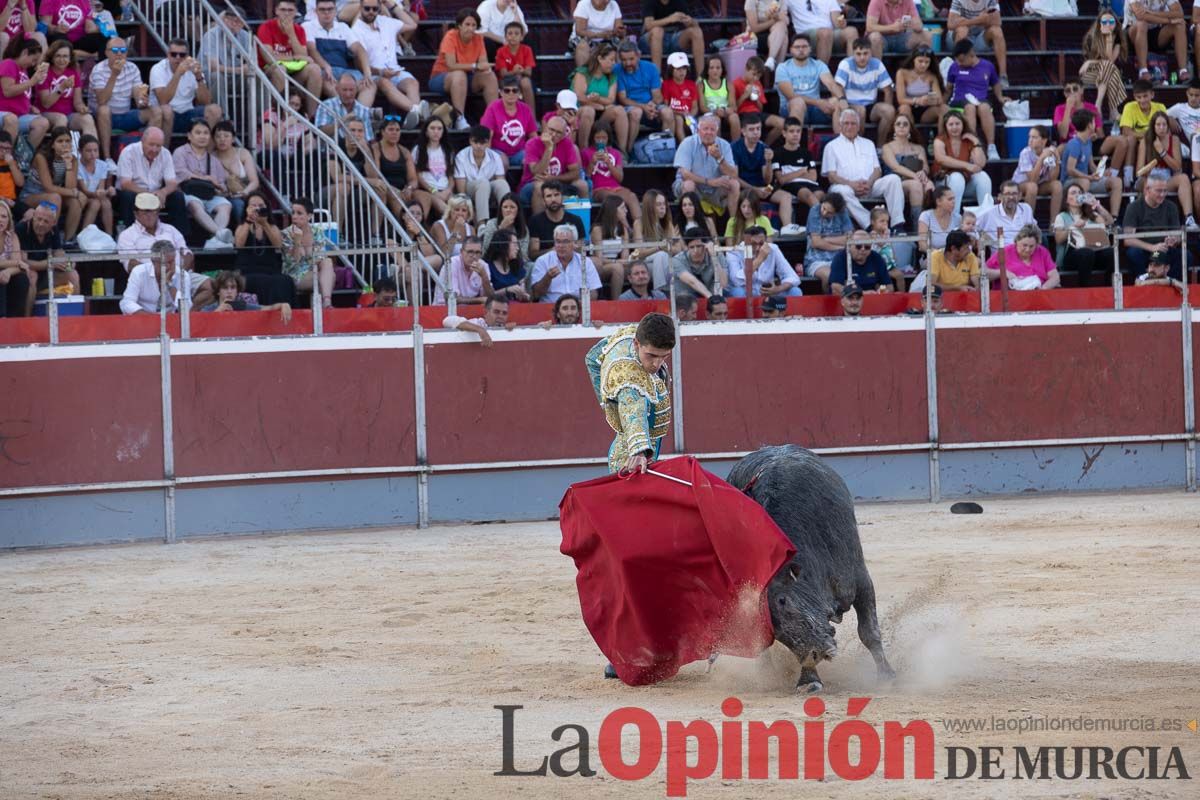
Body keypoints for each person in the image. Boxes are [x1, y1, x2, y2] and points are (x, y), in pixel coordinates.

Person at [584, 311, 675, 476]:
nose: (656, 364)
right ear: (636, 344)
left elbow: (592, 358)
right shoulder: (627, 376)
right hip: (630, 458)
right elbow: (633, 408)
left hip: (645, 445)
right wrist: (638, 452)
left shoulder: (630, 336)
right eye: (652, 355)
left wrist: (608, 399)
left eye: (664, 356)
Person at [821, 108, 905, 231]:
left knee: (893, 179)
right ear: (840, 125)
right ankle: (871, 225)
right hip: (846, 187)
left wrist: (869, 184)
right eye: (846, 123)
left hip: (869, 185)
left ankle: (898, 225)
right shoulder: (831, 146)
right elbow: (831, 176)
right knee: (839, 191)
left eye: (853, 123)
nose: (850, 127)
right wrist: (852, 185)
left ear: (859, 126)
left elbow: (877, 170)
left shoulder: (869, 143)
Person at [352, 0, 425, 125]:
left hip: (395, 70)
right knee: (385, 83)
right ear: (360, 8)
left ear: (380, 8)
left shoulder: (386, 22)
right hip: (374, 74)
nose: (371, 12)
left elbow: (412, 25)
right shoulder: (356, 30)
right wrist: (381, 72)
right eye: (367, 8)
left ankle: (414, 117)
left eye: (374, 9)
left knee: (412, 83)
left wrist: (390, 4)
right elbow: (359, 64)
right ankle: (417, 111)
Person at [430, 9, 497, 130]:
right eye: (467, 24)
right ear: (459, 25)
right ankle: (460, 118)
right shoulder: (450, 36)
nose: (470, 28)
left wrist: (484, 68)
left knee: (489, 76)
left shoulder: (478, 39)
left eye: (473, 25)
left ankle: (495, 118)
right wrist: (475, 66)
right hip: (441, 77)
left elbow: (483, 63)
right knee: (459, 74)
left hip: (466, 77)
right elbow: (451, 65)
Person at [116, 126, 189, 235]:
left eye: (158, 146)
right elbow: (125, 184)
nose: (154, 149)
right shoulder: (128, 152)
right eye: (151, 145)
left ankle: (180, 238)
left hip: (156, 193)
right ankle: (128, 237)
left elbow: (172, 183)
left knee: (178, 197)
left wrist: (163, 192)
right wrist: (149, 194)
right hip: (134, 192)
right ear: (142, 142)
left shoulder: (165, 154)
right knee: (127, 196)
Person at [173, 119, 234, 249]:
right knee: (195, 204)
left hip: (209, 195)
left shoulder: (213, 159)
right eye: (198, 133)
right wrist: (206, 178)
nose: (202, 136)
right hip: (187, 193)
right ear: (189, 136)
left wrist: (218, 187)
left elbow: (222, 185)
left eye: (206, 133)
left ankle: (214, 240)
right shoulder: (180, 152)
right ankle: (220, 235)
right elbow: (180, 173)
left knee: (225, 205)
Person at [1055, 79, 1127, 188]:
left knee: (1121, 140)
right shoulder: (1060, 109)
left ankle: (1112, 174)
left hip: (1090, 143)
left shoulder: (1091, 108)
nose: (1071, 93)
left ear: (1082, 90)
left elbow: (1100, 133)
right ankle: (1059, 182)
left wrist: (1093, 135)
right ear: (1064, 94)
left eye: (1075, 89)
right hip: (1070, 144)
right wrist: (1068, 108)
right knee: (1061, 147)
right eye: (1068, 91)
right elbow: (1063, 134)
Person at [945, 39, 1009, 161]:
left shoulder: (988, 66)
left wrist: (1000, 97)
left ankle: (991, 146)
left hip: (980, 100)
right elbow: (948, 89)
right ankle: (973, 145)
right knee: (970, 107)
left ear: (972, 55)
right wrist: (942, 103)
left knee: (984, 107)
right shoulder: (954, 67)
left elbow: (995, 84)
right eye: (957, 60)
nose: (959, 63)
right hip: (959, 101)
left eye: (962, 60)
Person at [256, 0, 323, 115]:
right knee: (280, 69)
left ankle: (311, 117)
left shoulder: (299, 30)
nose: (286, 13)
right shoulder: (266, 27)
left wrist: (291, 34)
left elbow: (303, 55)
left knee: (315, 69)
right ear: (276, 11)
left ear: (296, 12)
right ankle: (284, 116)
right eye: (283, 10)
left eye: (290, 10)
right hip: (269, 70)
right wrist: (294, 58)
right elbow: (269, 57)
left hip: (293, 72)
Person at [731, 113, 796, 230]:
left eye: (758, 129)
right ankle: (747, 228)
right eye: (751, 129)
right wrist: (755, 189)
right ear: (743, 131)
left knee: (786, 196)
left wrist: (769, 162)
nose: (756, 132)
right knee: (747, 197)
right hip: (744, 187)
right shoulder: (734, 148)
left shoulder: (764, 147)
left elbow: (767, 180)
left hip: (762, 186)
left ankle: (787, 227)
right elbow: (734, 177)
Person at [303, 0, 374, 106]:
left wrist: (367, 72)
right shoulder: (307, 26)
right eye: (322, 9)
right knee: (328, 83)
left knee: (369, 85)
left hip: (344, 71)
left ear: (335, 11)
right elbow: (312, 50)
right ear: (316, 11)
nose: (326, 13)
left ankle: (358, 116)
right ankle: (346, 114)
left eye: (330, 9)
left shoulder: (343, 27)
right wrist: (326, 66)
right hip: (323, 71)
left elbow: (359, 49)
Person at [774, 33, 847, 134]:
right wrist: (818, 102)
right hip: (791, 108)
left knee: (836, 101)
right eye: (797, 47)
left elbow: (830, 84)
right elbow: (791, 96)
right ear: (790, 49)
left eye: (804, 46)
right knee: (798, 102)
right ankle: (795, 146)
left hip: (816, 109)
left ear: (810, 48)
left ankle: (840, 143)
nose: (801, 50)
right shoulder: (783, 68)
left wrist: (841, 99)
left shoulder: (818, 65)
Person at [149, 38, 222, 137]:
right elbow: (163, 100)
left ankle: (208, 151)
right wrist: (178, 74)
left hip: (188, 113)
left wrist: (199, 77)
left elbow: (206, 102)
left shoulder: (193, 67)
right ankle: (163, 151)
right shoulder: (158, 69)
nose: (178, 57)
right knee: (166, 110)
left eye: (182, 55)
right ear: (168, 55)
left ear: (187, 56)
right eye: (174, 54)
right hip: (165, 116)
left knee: (215, 110)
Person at [672, 114, 739, 219]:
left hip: (715, 189)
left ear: (716, 132)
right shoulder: (688, 143)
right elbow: (685, 174)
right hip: (694, 186)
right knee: (688, 184)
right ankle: (690, 223)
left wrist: (719, 158)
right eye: (705, 129)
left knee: (734, 184)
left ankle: (733, 224)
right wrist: (709, 181)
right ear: (698, 130)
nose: (709, 132)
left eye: (712, 129)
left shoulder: (724, 145)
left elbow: (733, 174)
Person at [21, 126, 82, 240]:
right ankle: (51, 237)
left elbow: (70, 187)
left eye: (68, 141)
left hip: (55, 194)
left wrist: (68, 165)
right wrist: (73, 192)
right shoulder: (41, 157)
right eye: (60, 141)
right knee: (55, 197)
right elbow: (48, 187)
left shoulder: (72, 159)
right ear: (53, 144)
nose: (64, 144)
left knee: (75, 201)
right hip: (31, 195)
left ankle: (67, 240)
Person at [1060, 108, 1124, 218]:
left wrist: (1101, 174)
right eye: (1094, 122)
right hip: (1069, 182)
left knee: (1116, 181)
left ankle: (1113, 218)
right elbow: (1070, 169)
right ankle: (1079, 216)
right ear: (1090, 125)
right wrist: (1089, 177)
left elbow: (1091, 165)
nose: (1095, 124)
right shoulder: (1074, 144)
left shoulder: (1088, 141)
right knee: (1085, 182)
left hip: (1086, 180)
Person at [519, 114, 588, 214]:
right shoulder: (532, 143)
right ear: (545, 128)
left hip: (558, 183)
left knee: (582, 185)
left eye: (558, 132)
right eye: (551, 130)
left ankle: (583, 223)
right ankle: (540, 227)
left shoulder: (567, 144)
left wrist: (553, 178)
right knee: (541, 186)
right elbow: (537, 171)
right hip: (530, 185)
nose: (553, 134)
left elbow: (575, 173)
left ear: (564, 134)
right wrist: (549, 148)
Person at [234, 191, 293, 306]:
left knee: (285, 281)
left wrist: (264, 224)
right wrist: (248, 220)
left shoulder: (272, 226)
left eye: (261, 206)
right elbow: (239, 245)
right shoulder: (242, 225)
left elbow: (278, 245)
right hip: (247, 270)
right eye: (253, 206)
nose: (257, 208)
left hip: (269, 269)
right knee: (259, 281)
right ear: (247, 208)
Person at [1136, 110, 1194, 227]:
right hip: (1148, 177)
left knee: (1183, 178)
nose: (1161, 128)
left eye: (1164, 124)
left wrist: (1162, 152)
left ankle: (1189, 219)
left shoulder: (1175, 140)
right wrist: (1152, 165)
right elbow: (1139, 171)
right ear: (1153, 126)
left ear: (1168, 126)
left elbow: (1177, 167)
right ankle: (1146, 220)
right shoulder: (1145, 141)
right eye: (1158, 125)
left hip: (1167, 178)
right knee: (1145, 181)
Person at [116, 191, 194, 277]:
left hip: (180, 275)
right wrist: (160, 275)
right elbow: (131, 264)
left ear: (157, 212)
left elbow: (187, 254)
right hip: (149, 279)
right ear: (136, 214)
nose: (149, 215)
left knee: (207, 285)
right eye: (145, 211)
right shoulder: (127, 235)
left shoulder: (171, 229)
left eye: (153, 211)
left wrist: (178, 274)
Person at [120, 239, 208, 314]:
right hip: (142, 319)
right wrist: (149, 318)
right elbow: (127, 302)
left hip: (169, 321)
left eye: (172, 262)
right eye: (164, 263)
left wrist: (169, 284)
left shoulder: (183, 275)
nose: (169, 266)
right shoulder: (139, 272)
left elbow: (186, 308)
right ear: (153, 261)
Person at [835, 37, 895, 145]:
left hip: (871, 106)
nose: (862, 57)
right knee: (860, 110)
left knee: (889, 110)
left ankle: (880, 147)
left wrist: (888, 106)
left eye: (865, 53)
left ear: (871, 52)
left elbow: (888, 90)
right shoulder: (846, 64)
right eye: (858, 54)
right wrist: (844, 103)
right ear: (853, 53)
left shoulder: (877, 64)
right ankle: (857, 145)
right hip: (850, 104)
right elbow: (838, 87)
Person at [584, 123, 641, 237]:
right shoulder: (586, 152)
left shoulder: (615, 153)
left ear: (608, 138)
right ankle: (627, 229)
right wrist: (592, 162)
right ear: (592, 138)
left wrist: (609, 163)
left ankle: (639, 231)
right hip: (598, 189)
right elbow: (586, 177)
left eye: (604, 138)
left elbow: (620, 178)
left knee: (632, 196)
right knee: (613, 199)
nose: (601, 141)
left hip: (615, 187)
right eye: (597, 138)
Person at [1053, 181, 1114, 288]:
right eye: (1073, 193)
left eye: (1080, 192)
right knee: (1086, 253)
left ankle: (1108, 286)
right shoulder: (1061, 216)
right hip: (1072, 255)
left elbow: (1109, 221)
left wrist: (1096, 205)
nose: (1077, 195)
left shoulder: (1092, 215)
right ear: (1066, 199)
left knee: (1111, 253)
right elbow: (1058, 239)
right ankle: (1084, 288)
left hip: (1094, 251)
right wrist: (1073, 227)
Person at [1122, 174, 1184, 279]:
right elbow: (1128, 240)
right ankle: (1144, 284)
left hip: (1163, 250)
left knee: (1185, 256)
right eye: (1159, 191)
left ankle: (1171, 285)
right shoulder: (1134, 207)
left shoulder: (1171, 207)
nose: (1162, 194)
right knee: (1133, 253)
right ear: (1147, 190)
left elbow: (1177, 235)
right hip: (1145, 250)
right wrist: (1152, 247)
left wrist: (1174, 240)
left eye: (1165, 191)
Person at [616, 41, 676, 146]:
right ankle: (628, 151)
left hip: (650, 105)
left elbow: (657, 96)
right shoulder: (617, 70)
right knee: (636, 112)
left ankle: (666, 150)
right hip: (630, 106)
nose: (628, 63)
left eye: (631, 59)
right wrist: (643, 107)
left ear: (638, 56)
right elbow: (623, 98)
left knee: (667, 113)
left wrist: (651, 106)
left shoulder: (651, 68)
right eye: (624, 60)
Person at [573, 43, 628, 156]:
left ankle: (622, 152)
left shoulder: (611, 77)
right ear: (600, 58)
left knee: (619, 110)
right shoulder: (583, 73)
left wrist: (598, 99)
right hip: (581, 112)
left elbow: (611, 99)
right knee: (589, 110)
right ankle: (584, 152)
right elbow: (579, 96)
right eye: (611, 60)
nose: (614, 63)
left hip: (601, 113)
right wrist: (596, 104)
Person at [35, 40, 96, 140]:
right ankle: (60, 152)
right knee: (61, 119)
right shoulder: (45, 72)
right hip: (46, 114)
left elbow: (78, 102)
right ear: (52, 57)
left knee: (87, 119)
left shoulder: (73, 72)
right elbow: (46, 103)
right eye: (58, 56)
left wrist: (82, 108)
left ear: (70, 58)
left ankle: (91, 152)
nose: (61, 60)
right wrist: (62, 87)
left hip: (68, 114)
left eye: (65, 56)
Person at [281, 196, 336, 308]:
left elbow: (320, 258)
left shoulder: (317, 231)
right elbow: (294, 263)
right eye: (293, 213)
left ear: (309, 216)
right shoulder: (286, 234)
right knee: (329, 278)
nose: (295, 216)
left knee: (327, 262)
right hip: (294, 276)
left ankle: (326, 303)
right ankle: (323, 311)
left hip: (313, 271)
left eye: (299, 213)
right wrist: (297, 241)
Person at [933, 109, 990, 213]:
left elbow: (981, 164)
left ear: (963, 124)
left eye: (957, 123)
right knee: (957, 178)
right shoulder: (940, 140)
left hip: (964, 183)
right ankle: (953, 219)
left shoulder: (968, 140)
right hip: (943, 183)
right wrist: (966, 165)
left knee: (983, 176)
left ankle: (986, 217)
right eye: (951, 124)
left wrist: (976, 142)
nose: (954, 127)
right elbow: (941, 159)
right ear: (945, 126)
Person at [881, 114, 932, 226]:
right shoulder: (887, 147)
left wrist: (923, 172)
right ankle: (917, 228)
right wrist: (915, 176)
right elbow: (895, 167)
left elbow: (925, 166)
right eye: (898, 124)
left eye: (905, 124)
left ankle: (929, 225)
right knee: (916, 185)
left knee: (930, 186)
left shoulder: (918, 148)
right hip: (895, 183)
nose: (901, 126)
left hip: (916, 180)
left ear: (910, 128)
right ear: (893, 128)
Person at [724, 224, 801, 298]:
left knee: (795, 291)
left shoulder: (773, 248)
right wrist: (759, 259)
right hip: (746, 292)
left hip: (769, 293)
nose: (757, 248)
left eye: (761, 243)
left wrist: (777, 289)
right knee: (738, 292)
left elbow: (792, 277)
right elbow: (737, 281)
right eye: (753, 244)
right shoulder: (734, 252)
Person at [530, 223, 601, 302]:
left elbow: (594, 292)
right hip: (550, 307)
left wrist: (580, 304)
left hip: (578, 307)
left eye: (565, 241)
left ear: (575, 244)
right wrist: (547, 277)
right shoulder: (543, 261)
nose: (561, 245)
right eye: (558, 241)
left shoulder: (585, 261)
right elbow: (536, 293)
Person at [1080, 10, 1129, 122]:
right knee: (1112, 71)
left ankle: (1098, 104)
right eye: (1104, 21)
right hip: (1089, 73)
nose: (1108, 24)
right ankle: (1113, 110)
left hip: (1106, 72)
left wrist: (1109, 39)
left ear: (1116, 24)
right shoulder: (1091, 37)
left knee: (1110, 69)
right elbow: (1091, 63)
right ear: (1099, 24)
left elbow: (1109, 60)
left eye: (1111, 21)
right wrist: (1089, 63)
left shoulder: (1117, 39)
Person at [946, 0, 1008, 89]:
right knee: (962, 30)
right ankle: (960, 73)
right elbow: (951, 24)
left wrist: (964, 21)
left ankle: (1003, 75)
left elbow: (997, 22)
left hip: (979, 38)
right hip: (956, 39)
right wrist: (979, 20)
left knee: (997, 30)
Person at [0, 37, 49, 149]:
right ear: (25, 52)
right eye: (33, 59)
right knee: (11, 119)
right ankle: (7, 159)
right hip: (4, 114)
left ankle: (23, 157)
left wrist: (30, 106)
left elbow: (20, 93)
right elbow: (7, 91)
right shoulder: (9, 63)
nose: (33, 64)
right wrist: (32, 82)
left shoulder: (23, 70)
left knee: (42, 123)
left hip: (19, 116)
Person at [454, 125, 509, 223]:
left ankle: (508, 219)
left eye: (482, 143)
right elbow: (461, 189)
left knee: (502, 183)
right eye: (475, 142)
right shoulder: (461, 156)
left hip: (487, 189)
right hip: (469, 189)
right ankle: (481, 224)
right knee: (483, 183)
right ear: (470, 141)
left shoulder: (496, 157)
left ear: (488, 142)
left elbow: (500, 180)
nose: (479, 146)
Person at [1118, 79, 1166, 188]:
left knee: (1143, 141)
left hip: (1155, 141)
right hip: (1138, 141)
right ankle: (1128, 178)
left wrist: (1146, 135)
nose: (1142, 100)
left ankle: (1141, 177)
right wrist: (1149, 134)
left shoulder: (1160, 107)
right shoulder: (1129, 107)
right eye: (1138, 97)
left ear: (1152, 95)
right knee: (1131, 139)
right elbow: (1126, 131)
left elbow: (1163, 129)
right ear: (1134, 97)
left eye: (1145, 96)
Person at [1124, 0, 1188, 82]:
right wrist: (1169, 21)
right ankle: (1143, 70)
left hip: (1156, 31)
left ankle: (1183, 70)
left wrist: (1153, 13)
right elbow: (1140, 16)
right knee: (1142, 24)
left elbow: (1179, 13)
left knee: (1180, 24)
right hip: (1133, 31)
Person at [772, 115, 821, 222]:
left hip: (810, 184)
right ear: (784, 133)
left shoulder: (806, 153)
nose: (795, 134)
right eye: (791, 131)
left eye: (798, 131)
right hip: (791, 186)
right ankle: (820, 227)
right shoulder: (777, 153)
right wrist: (802, 171)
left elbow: (813, 177)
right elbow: (782, 179)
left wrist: (792, 174)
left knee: (823, 196)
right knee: (808, 195)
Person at [481, 74, 537, 167]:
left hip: (519, 152)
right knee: (503, 162)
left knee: (532, 160)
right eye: (507, 91)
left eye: (515, 91)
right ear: (501, 92)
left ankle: (528, 181)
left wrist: (534, 154)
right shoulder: (492, 108)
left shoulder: (525, 109)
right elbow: (487, 136)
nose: (511, 94)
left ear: (519, 93)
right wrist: (487, 158)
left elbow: (533, 136)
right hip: (497, 151)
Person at [803, 191, 852, 292]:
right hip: (816, 260)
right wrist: (840, 247)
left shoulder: (843, 213)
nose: (824, 213)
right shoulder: (815, 210)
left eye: (830, 212)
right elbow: (816, 243)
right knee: (830, 276)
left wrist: (826, 239)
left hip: (840, 259)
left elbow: (850, 238)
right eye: (824, 208)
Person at [985, 224, 1060, 290]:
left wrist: (1044, 288)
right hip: (1009, 297)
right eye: (1024, 245)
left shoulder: (1042, 252)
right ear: (1017, 241)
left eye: (1031, 246)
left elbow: (1055, 277)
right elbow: (983, 273)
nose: (1027, 249)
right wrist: (1002, 272)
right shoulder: (1005, 252)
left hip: (1037, 295)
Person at [212, 120, 260, 223]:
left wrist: (244, 192)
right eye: (218, 136)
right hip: (222, 196)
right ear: (213, 139)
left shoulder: (242, 153)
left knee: (243, 204)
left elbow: (254, 181)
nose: (222, 139)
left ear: (233, 139)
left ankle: (251, 236)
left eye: (226, 136)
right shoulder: (211, 157)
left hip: (244, 194)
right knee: (234, 205)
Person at [784, 0, 858, 66]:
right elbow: (780, 8)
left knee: (851, 31)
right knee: (825, 33)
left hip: (830, 33)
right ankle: (821, 75)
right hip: (806, 35)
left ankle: (852, 72)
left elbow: (837, 22)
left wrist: (841, 23)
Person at [203, 270, 293, 323]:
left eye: (233, 287)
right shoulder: (207, 310)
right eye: (225, 288)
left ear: (237, 291)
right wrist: (217, 312)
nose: (229, 291)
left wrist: (283, 304)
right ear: (218, 291)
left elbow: (267, 308)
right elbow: (202, 326)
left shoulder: (243, 306)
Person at [640, 0, 705, 73]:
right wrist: (670, 19)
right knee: (657, 31)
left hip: (673, 38)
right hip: (651, 39)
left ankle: (701, 77)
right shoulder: (649, 2)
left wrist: (690, 21)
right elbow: (648, 25)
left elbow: (695, 25)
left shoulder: (679, 2)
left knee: (697, 32)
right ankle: (657, 76)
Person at [528, 180, 586, 259]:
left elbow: (582, 250)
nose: (553, 199)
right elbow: (533, 254)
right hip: (547, 262)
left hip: (572, 261)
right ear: (543, 200)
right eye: (549, 196)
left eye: (556, 195)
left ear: (562, 197)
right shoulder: (535, 221)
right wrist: (553, 251)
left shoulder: (576, 220)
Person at [635, 187, 680, 287]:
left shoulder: (667, 223)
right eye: (659, 204)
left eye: (664, 204)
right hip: (646, 264)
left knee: (672, 259)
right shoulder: (639, 223)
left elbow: (678, 249)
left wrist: (667, 248)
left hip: (665, 261)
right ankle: (661, 292)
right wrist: (659, 247)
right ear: (650, 207)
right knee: (661, 255)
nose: (663, 207)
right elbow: (639, 253)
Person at [591, 193, 632, 299]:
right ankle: (616, 301)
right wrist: (616, 262)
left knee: (638, 268)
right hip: (599, 266)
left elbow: (625, 257)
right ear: (613, 210)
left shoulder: (622, 229)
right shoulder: (598, 229)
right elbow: (598, 258)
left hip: (617, 263)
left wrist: (626, 226)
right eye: (623, 208)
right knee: (617, 268)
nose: (626, 211)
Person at [976, 180, 1035, 252]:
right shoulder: (989, 213)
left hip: (1025, 254)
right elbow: (971, 228)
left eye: (1014, 194)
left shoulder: (1026, 209)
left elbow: (1034, 231)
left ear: (1020, 196)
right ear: (1000, 197)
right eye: (1007, 194)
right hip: (1002, 257)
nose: (1011, 197)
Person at [413, 116, 454, 217]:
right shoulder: (418, 150)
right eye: (432, 128)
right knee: (446, 210)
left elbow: (450, 174)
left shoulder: (448, 150)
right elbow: (417, 174)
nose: (436, 131)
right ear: (426, 131)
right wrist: (433, 190)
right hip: (428, 190)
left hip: (445, 189)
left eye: (439, 128)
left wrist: (448, 190)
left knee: (461, 205)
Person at [433, 235, 494, 304]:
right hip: (443, 310)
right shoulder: (451, 264)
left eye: (477, 252)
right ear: (461, 252)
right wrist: (479, 300)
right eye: (470, 252)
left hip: (469, 310)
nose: (474, 256)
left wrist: (484, 277)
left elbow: (490, 298)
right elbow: (452, 298)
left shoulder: (483, 266)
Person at [829, 230, 893, 294]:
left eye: (867, 247)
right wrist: (862, 294)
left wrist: (883, 291)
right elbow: (835, 287)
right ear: (850, 245)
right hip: (848, 301)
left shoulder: (877, 258)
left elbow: (889, 285)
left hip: (873, 299)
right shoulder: (840, 258)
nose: (863, 249)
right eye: (858, 246)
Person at [315, 73, 376, 140]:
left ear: (356, 90)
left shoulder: (363, 110)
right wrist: (342, 121)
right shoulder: (326, 105)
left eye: (351, 90)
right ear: (337, 89)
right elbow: (320, 132)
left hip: (357, 148)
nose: (348, 94)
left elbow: (369, 138)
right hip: (332, 149)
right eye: (344, 90)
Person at [669, 229, 725, 299]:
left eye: (698, 246)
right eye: (692, 247)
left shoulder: (717, 255)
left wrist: (713, 257)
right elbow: (692, 282)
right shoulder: (677, 260)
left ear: (705, 245)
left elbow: (723, 283)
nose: (695, 251)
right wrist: (711, 298)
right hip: (686, 299)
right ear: (687, 247)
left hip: (711, 293)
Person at [75, 134, 114, 234]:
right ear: (80, 151)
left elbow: (100, 188)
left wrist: (108, 191)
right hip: (82, 196)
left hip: (95, 195)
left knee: (106, 202)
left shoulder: (102, 165)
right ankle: (83, 235)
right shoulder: (77, 166)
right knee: (96, 203)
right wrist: (98, 194)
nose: (93, 154)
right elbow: (84, 190)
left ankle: (109, 235)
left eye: (95, 150)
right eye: (89, 151)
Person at [865, 0, 930, 58]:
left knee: (926, 35)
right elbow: (870, 27)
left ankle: (922, 69)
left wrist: (914, 24)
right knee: (874, 37)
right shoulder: (876, 1)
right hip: (883, 38)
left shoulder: (908, 1)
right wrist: (892, 27)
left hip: (901, 37)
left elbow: (919, 26)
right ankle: (877, 70)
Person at [479, 192, 531, 265]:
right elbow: (487, 248)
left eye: (512, 207)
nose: (508, 210)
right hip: (494, 262)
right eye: (505, 207)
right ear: (501, 209)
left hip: (515, 264)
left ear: (518, 210)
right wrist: (501, 228)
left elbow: (524, 255)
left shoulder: (523, 228)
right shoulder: (492, 224)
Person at [493, 21, 535, 110]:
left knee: (526, 82)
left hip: (522, 77)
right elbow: (502, 74)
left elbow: (529, 72)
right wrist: (514, 72)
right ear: (505, 36)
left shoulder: (527, 50)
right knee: (511, 83)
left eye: (516, 34)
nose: (513, 36)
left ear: (522, 37)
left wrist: (520, 71)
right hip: (506, 79)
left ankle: (532, 117)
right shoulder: (501, 51)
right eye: (510, 33)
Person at [697, 54, 739, 141]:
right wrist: (715, 111)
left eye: (718, 68)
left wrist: (727, 110)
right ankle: (717, 148)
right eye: (711, 68)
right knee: (715, 120)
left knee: (734, 118)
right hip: (710, 113)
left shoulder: (728, 84)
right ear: (707, 70)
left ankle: (736, 147)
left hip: (725, 112)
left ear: (722, 70)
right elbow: (702, 107)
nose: (715, 71)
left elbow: (733, 105)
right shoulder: (701, 85)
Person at [0, 200, 31, 316]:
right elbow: (18, 262)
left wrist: (8, 271)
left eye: (3, 216)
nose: (0, 220)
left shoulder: (12, 236)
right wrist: (17, 262)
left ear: (8, 220)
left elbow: (20, 267)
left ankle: (15, 319)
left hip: (6, 275)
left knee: (22, 279)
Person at [571, 0, 624, 67]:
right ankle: (583, 75)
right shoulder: (584, 3)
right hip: (584, 38)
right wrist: (600, 35)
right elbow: (580, 31)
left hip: (607, 39)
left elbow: (619, 27)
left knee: (623, 45)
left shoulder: (614, 4)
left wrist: (620, 31)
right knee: (582, 45)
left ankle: (618, 76)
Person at [660, 52, 698, 143]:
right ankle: (683, 144)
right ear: (671, 69)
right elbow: (665, 105)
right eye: (678, 69)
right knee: (678, 119)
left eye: (684, 68)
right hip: (674, 115)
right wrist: (680, 113)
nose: (682, 72)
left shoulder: (691, 85)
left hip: (688, 116)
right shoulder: (666, 85)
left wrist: (690, 116)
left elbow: (695, 106)